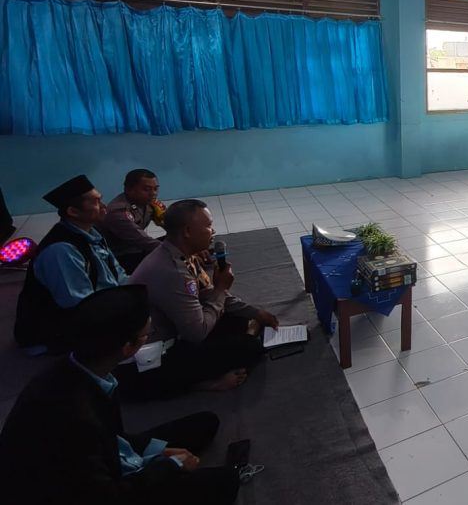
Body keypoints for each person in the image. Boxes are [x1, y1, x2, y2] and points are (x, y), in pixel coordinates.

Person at [0, 285, 239, 505]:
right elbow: (108, 497)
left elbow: (114, 438)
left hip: (106, 454)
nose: (151, 334)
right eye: (147, 333)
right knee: (226, 480)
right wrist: (170, 466)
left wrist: (157, 451)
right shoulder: (74, 417)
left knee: (205, 423)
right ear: (128, 347)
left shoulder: (81, 368)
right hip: (80, 491)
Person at [121, 200, 274, 400]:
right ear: (187, 231)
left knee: (238, 318)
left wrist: (255, 312)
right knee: (249, 348)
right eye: (209, 226)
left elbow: (208, 293)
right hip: (149, 359)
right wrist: (221, 289)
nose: (213, 231)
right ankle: (202, 384)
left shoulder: (180, 254)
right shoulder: (171, 271)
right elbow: (197, 333)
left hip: (177, 330)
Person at [14, 175, 127, 351]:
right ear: (73, 212)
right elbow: (79, 305)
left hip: (98, 304)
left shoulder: (92, 234)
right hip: (54, 328)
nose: (104, 207)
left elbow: (117, 274)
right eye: (96, 202)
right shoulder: (61, 251)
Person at [99, 168, 165, 273]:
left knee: (182, 238)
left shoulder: (149, 203)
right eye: (147, 189)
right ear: (128, 189)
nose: (153, 193)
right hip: (120, 257)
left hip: (138, 249)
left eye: (155, 189)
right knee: (169, 255)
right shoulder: (118, 211)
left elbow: (173, 224)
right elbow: (143, 241)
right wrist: (178, 251)